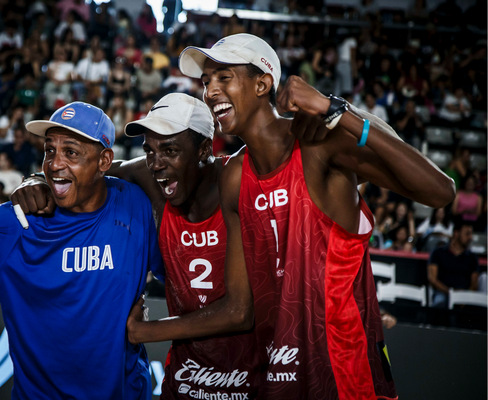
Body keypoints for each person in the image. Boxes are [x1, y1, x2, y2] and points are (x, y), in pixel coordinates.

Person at [127, 33, 455, 399]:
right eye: (206, 82)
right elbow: (240, 306)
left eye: (223, 78)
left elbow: (440, 191)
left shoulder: (317, 143)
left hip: (344, 367)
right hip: (279, 370)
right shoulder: (235, 178)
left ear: (262, 83)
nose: (211, 92)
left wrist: (337, 110)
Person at [11, 93, 262, 398]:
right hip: (189, 374)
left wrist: (144, 331)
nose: (156, 163)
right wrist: (35, 180)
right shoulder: (147, 177)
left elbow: (239, 312)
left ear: (204, 149)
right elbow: (86, 171)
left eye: (169, 150)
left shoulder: (236, 181)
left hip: (254, 369)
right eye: (149, 151)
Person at [0, 101, 162, 399]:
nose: (54, 164)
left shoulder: (133, 202)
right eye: (49, 150)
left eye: (71, 152)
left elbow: (171, 276)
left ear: (104, 161)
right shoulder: (16, 221)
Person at [427, 217, 480, 308]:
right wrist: (450, 293)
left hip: (464, 295)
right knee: (439, 302)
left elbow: (474, 283)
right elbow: (432, 279)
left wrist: (463, 296)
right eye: (467, 234)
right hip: (443, 292)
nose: (470, 238)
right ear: (456, 233)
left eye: (471, 234)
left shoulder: (472, 257)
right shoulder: (438, 252)